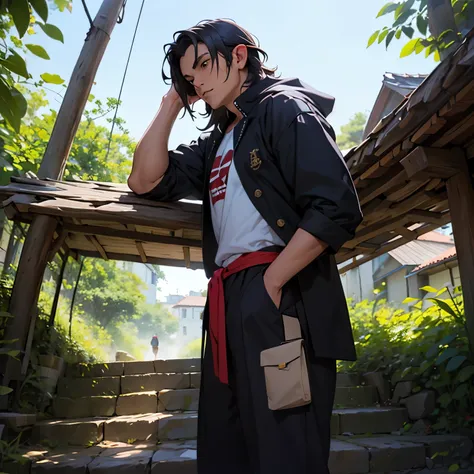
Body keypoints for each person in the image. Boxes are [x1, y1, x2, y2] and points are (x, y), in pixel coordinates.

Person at [128, 19, 363, 474]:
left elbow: (335, 206)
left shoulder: (283, 108)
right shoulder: (220, 138)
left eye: (201, 65)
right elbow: (145, 179)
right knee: (227, 447)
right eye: (187, 74)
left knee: (285, 447)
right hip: (228, 298)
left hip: (280, 291)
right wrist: (172, 101)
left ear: (239, 57)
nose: (195, 78)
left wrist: (271, 285)